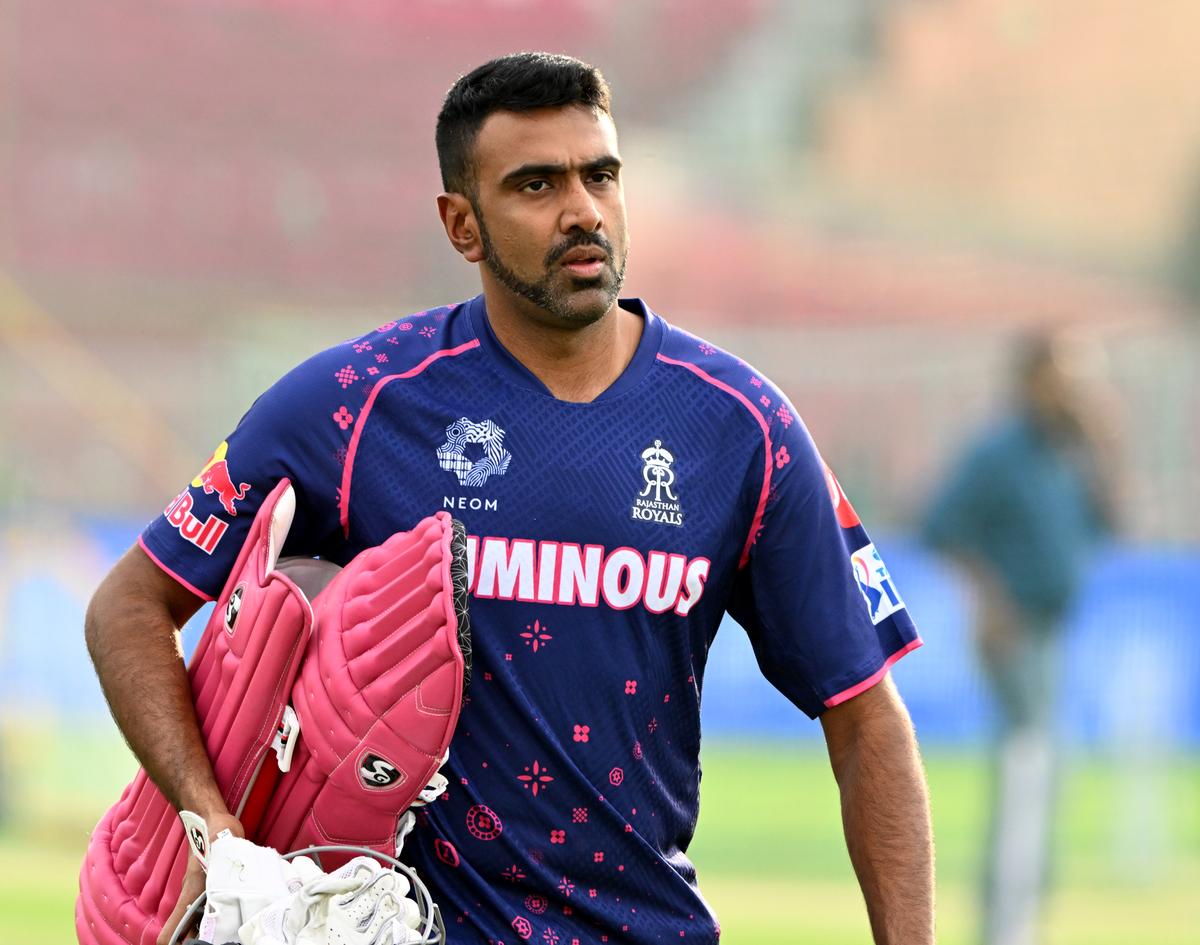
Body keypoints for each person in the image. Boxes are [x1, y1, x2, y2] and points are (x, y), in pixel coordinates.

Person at [86, 53, 933, 945]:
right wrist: (209, 821)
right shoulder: (356, 405)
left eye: (600, 174)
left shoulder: (741, 427)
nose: (582, 210)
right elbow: (130, 605)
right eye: (536, 183)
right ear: (463, 225)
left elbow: (866, 713)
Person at [922, 332, 1117, 945]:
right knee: (1027, 777)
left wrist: (1104, 441)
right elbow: (940, 525)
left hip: (1052, 636)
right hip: (1016, 637)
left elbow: (1109, 522)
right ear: (1031, 379)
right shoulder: (1000, 452)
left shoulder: (1066, 449)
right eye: (1064, 374)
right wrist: (986, 598)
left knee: (1045, 779)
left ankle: (1019, 919)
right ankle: (1004, 927)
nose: (1074, 387)